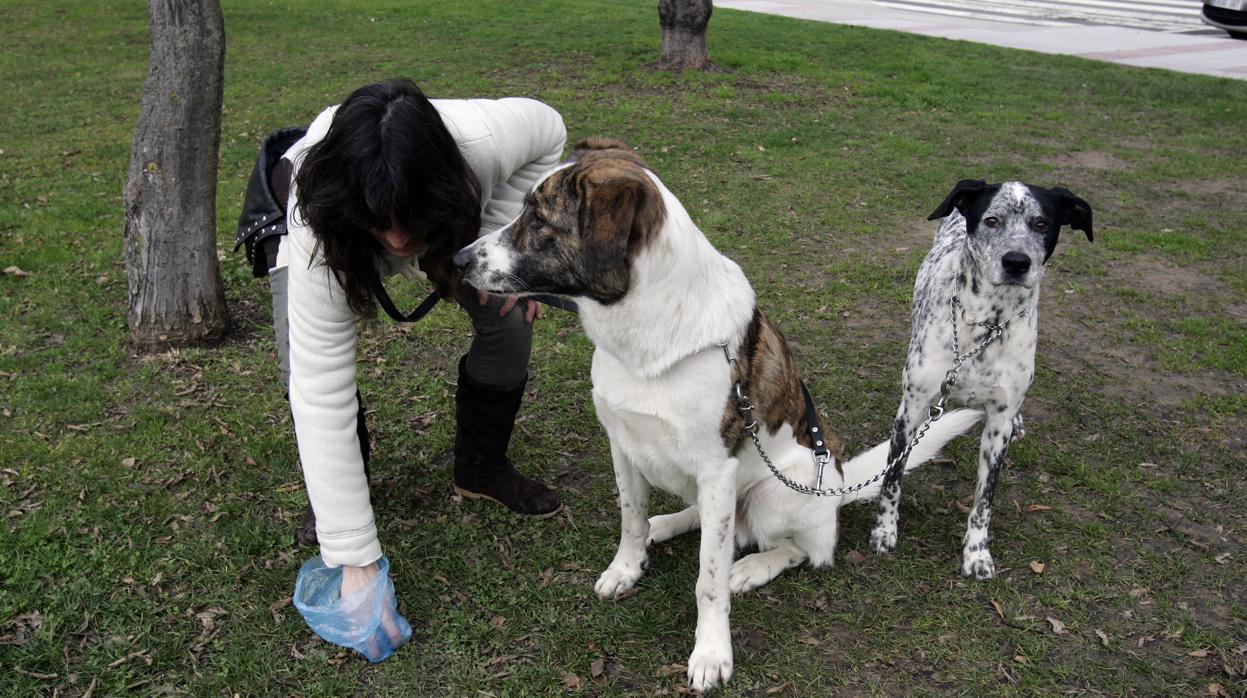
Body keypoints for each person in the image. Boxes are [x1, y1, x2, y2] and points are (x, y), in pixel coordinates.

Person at [263, 79, 567, 620]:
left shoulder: (489, 140)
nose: (400, 242)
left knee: (510, 319)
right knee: (300, 368)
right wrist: (354, 556)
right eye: (388, 225)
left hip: (449, 217)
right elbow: (321, 386)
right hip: (338, 230)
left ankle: (480, 469)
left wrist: (494, 231)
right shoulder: (317, 220)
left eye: (409, 223)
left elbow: (551, 131)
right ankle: (339, 497)